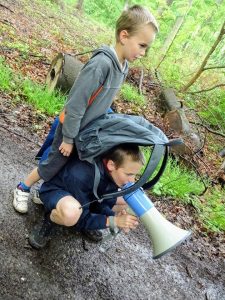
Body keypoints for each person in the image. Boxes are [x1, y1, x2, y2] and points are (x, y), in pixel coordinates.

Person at [13, 4, 159, 214]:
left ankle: (43, 192)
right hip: (71, 126)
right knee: (55, 162)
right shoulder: (102, 64)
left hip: (87, 129)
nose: (143, 53)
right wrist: (68, 138)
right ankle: (23, 187)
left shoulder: (122, 66)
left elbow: (103, 100)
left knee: (68, 164)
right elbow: (76, 103)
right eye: (142, 45)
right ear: (124, 36)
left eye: (147, 48)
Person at [28, 143, 144, 249]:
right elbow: (81, 218)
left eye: (135, 175)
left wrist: (114, 215)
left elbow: (102, 200)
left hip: (85, 197)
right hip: (57, 191)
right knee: (71, 214)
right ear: (111, 165)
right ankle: (50, 219)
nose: (132, 180)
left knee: (125, 200)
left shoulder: (111, 174)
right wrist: (114, 221)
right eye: (129, 174)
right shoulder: (82, 175)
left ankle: (91, 224)